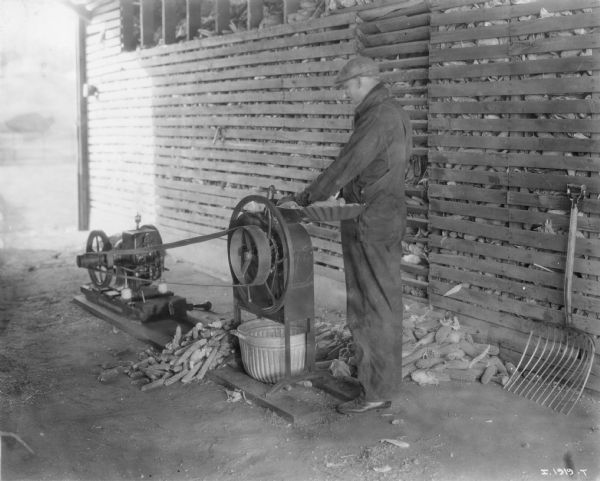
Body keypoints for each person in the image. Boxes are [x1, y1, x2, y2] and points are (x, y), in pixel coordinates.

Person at [293, 56, 412, 414]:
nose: (345, 93)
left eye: (346, 86)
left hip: (370, 222)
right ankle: (382, 384)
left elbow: (347, 162)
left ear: (362, 81)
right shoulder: (395, 112)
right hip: (386, 215)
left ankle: (374, 393)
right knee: (384, 301)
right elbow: (383, 166)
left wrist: (307, 197)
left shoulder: (377, 116)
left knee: (367, 305)